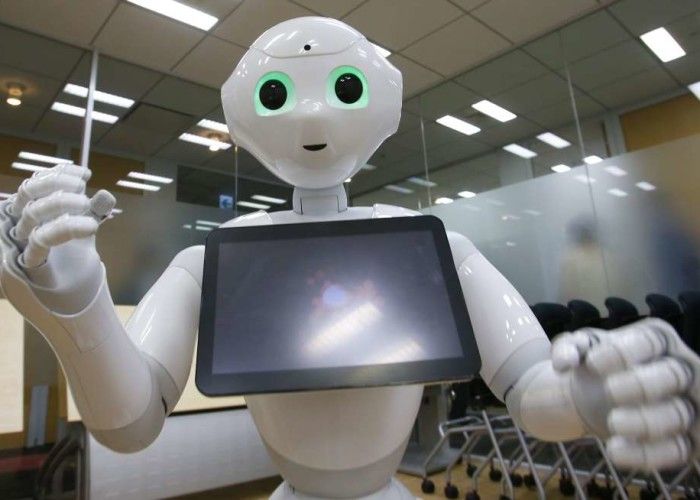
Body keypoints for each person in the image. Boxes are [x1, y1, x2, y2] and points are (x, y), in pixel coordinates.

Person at [1, 17, 697, 500]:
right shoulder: (211, 258)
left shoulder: (433, 246)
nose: (310, 118)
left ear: (383, 106)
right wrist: (77, 307)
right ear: (243, 119)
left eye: (344, 88)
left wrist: (587, 395)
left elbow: (528, 387)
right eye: (277, 94)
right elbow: (132, 422)